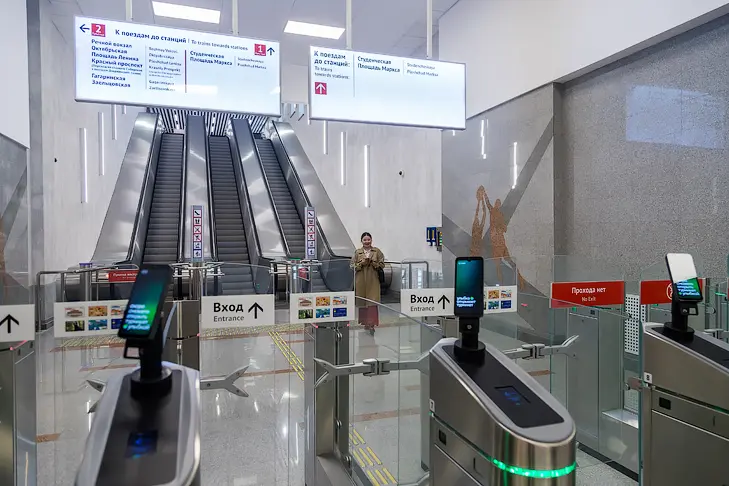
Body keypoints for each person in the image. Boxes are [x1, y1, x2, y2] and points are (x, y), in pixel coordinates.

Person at [483, 191, 525, 289]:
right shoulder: (493, 211)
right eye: (496, 203)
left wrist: (500, 226)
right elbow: (488, 203)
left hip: (500, 242)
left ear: (499, 205)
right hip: (497, 242)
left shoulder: (499, 215)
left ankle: (519, 280)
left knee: (504, 262)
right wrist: (484, 193)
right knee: (498, 265)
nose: (497, 204)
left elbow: (504, 229)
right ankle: (502, 285)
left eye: (498, 203)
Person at [351, 232, 385, 334]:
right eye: (365, 240)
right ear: (361, 241)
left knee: (372, 302)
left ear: (371, 240)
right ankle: (365, 322)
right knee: (363, 301)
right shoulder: (357, 252)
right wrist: (361, 263)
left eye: (368, 239)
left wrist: (373, 263)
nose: (367, 242)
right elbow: (352, 266)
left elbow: (382, 264)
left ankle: (372, 324)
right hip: (361, 281)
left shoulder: (377, 251)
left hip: (373, 280)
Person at [469, 185, 487, 256]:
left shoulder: (479, 230)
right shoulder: (475, 230)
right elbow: (478, 213)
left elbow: (484, 214)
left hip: (476, 252)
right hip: (474, 251)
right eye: (476, 221)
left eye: (476, 221)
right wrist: (479, 201)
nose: (476, 221)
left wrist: (481, 201)